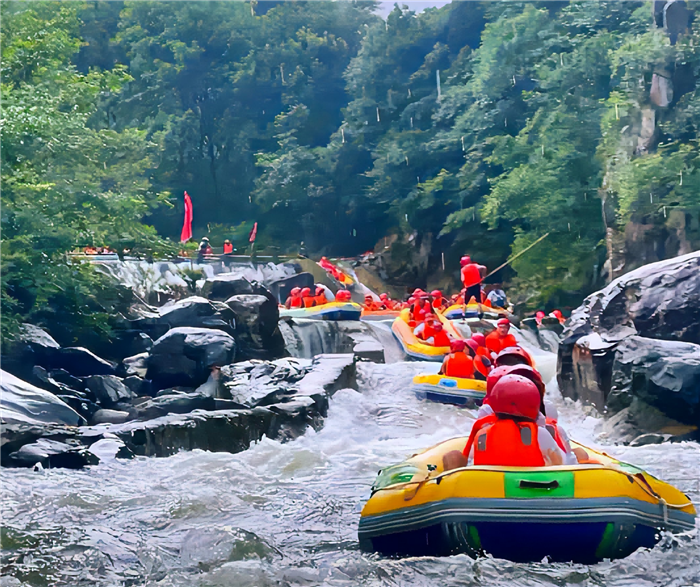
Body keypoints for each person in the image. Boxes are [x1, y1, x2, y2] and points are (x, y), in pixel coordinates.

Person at [463, 375, 567, 467]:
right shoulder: (540, 434)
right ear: (534, 405)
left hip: (490, 484)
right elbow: (562, 464)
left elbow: (472, 463)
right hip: (530, 485)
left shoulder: (482, 435)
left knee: (453, 456)